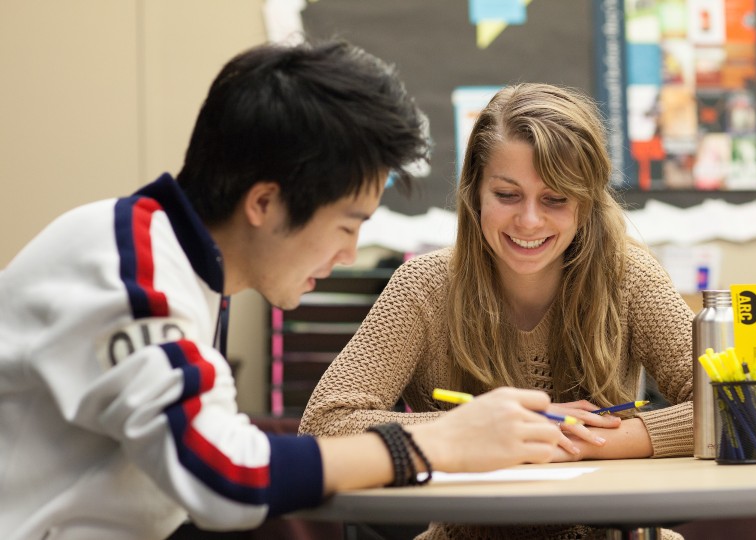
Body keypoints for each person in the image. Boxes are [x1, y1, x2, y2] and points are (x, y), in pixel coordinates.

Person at [0, 41, 565, 540]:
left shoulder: (182, 265)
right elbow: (225, 475)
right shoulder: (130, 271)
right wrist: (435, 444)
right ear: (264, 203)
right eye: (347, 225)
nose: (349, 254)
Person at [300, 83, 695, 539]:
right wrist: (479, 431)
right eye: (508, 195)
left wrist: (577, 443)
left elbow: (735, 410)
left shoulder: (628, 277)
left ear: (586, 204)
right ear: (475, 193)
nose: (529, 220)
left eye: (555, 199)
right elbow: (324, 428)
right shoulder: (422, 288)